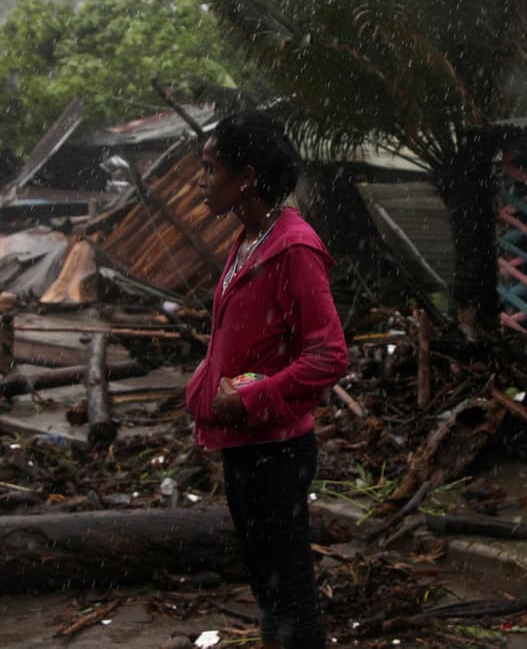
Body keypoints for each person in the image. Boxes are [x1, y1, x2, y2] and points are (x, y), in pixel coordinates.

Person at [184, 110, 348, 649]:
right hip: (246, 447)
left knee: (290, 595)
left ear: (246, 178)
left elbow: (328, 354)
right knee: (269, 591)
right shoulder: (249, 239)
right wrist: (206, 383)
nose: (201, 181)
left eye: (211, 168)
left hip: (276, 452)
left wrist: (255, 396)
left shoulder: (293, 247)